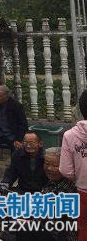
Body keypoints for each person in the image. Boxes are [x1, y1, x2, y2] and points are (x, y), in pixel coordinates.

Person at [17, 147, 78, 241]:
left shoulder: (69, 187)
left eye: (55, 165)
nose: (49, 168)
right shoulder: (51, 181)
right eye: (47, 164)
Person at [61, 89, 87, 241]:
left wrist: (79, 176)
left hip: (83, 191)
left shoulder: (70, 135)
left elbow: (66, 170)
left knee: (83, 229)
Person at [0, 85, 28, 151]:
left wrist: (19, 139)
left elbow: (23, 124)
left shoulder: (16, 105)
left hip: (11, 136)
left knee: (19, 149)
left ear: (6, 97)